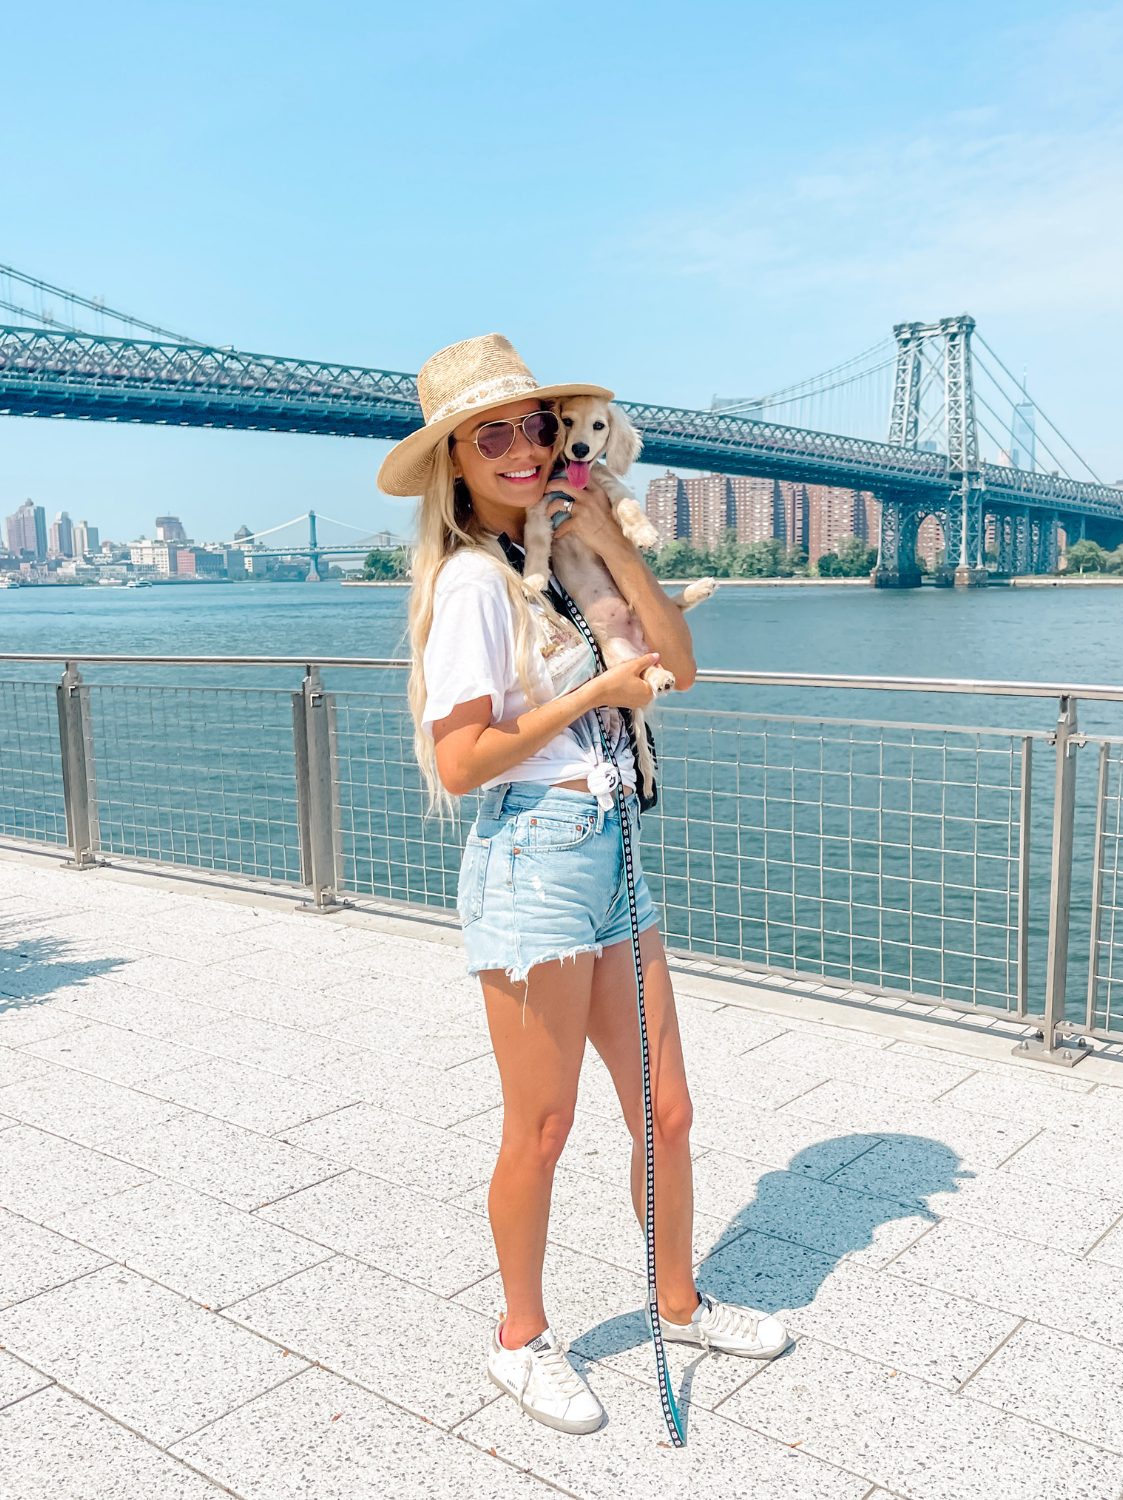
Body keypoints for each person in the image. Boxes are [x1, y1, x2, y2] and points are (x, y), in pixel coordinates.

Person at [378, 333, 789, 1436]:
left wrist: (610, 535)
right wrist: (594, 692)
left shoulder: (566, 556)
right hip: (536, 860)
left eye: (535, 427)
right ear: (456, 462)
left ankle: (679, 1304)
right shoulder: (473, 582)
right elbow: (463, 762)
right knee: (544, 1125)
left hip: (612, 850)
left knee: (667, 1110)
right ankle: (519, 1339)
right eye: (490, 434)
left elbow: (681, 670)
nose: (521, 449)